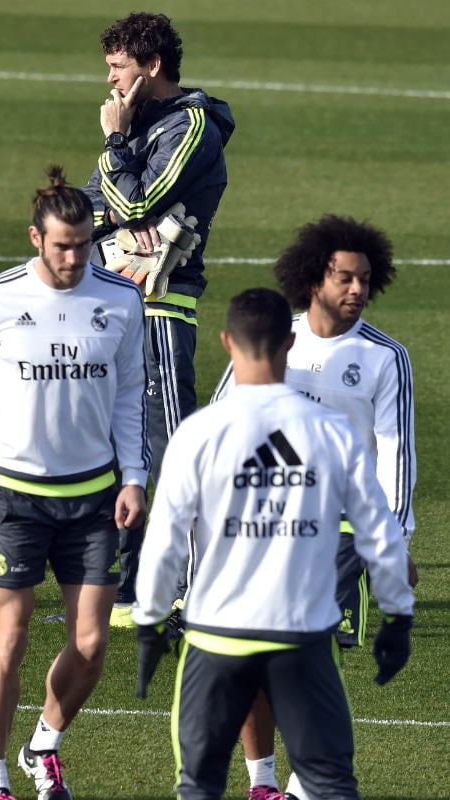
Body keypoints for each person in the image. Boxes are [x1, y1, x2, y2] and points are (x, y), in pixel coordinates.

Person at [132, 288, 415, 800]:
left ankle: (260, 783)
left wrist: (151, 621)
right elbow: (378, 527)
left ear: (225, 343)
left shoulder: (197, 434)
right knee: (331, 781)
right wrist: (397, 613)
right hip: (300, 639)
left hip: (215, 638)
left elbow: (166, 539)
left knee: (198, 786)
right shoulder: (332, 431)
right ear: (290, 342)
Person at [0, 165, 150, 800]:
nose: (75, 256)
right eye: (62, 245)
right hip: (18, 494)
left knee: (91, 644)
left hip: (95, 497)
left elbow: (134, 392)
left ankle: (43, 745)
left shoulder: (120, 299)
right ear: (36, 237)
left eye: (84, 243)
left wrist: (134, 478)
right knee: (11, 637)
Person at [209, 217, 418, 800]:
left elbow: (395, 451)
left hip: (341, 529)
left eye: (365, 280)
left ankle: (307, 779)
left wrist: (395, 541)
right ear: (314, 279)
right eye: (344, 278)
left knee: (314, 657)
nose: (356, 290)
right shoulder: (275, 337)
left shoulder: (384, 358)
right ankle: (263, 782)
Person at [81, 12, 235, 624]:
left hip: (162, 305)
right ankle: (133, 581)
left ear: (151, 66)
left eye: (118, 66)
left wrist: (116, 144)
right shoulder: (140, 121)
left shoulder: (193, 127)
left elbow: (138, 201)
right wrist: (116, 217)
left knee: (169, 446)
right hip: (114, 302)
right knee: (118, 447)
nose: (110, 79)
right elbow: (95, 212)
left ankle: (189, 588)